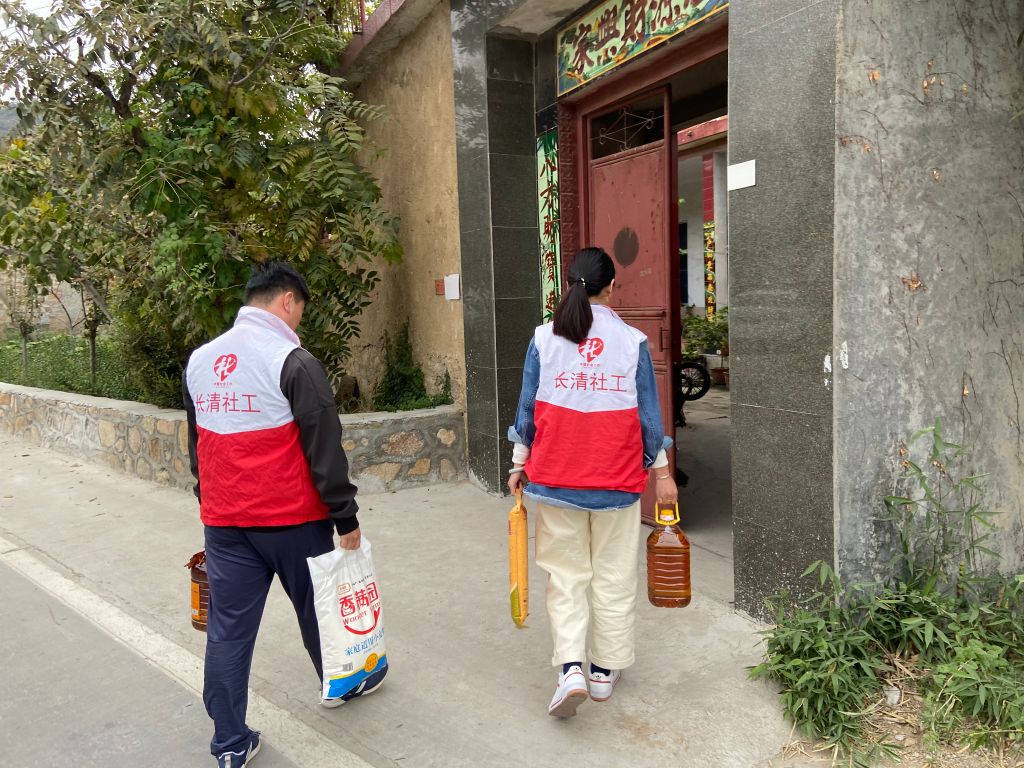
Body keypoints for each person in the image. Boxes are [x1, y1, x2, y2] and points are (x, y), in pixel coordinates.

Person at [183, 262, 385, 767]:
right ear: (288, 301)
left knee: (228, 632)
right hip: (293, 520)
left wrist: (209, 500)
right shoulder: (293, 361)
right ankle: (340, 682)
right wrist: (345, 516)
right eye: (299, 312)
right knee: (318, 609)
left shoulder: (200, 360)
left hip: (226, 523)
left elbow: (198, 444)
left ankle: (230, 742)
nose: (298, 321)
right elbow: (325, 448)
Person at [507, 246, 677, 718]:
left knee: (565, 578)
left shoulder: (543, 338)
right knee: (613, 576)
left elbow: (527, 409)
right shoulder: (632, 341)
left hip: (556, 480)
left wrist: (518, 464)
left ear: (568, 284)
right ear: (612, 287)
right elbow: (648, 417)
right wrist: (662, 474)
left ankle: (570, 671)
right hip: (616, 482)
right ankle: (603, 672)